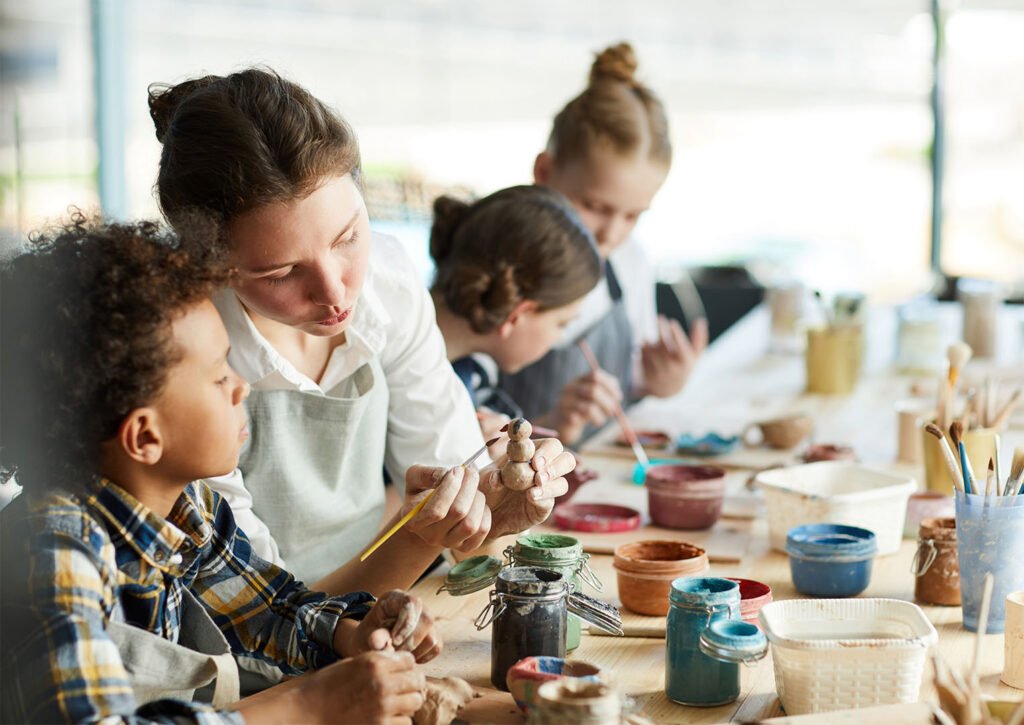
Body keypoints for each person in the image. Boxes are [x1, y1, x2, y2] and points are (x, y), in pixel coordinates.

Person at [147, 69, 575, 599]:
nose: (335, 292)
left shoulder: (388, 282)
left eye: (349, 236)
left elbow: (462, 510)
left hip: (378, 603)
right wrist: (421, 536)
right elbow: (257, 614)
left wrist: (494, 506)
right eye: (280, 273)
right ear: (208, 265)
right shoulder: (180, 354)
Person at [0, 215, 437, 723]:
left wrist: (352, 633)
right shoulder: (55, 551)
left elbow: (266, 613)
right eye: (218, 376)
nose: (241, 388)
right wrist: (306, 705)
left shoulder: (189, 506)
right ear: (145, 436)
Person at [498, 42, 709, 446]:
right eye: (594, 206)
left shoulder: (630, 262)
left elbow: (628, 381)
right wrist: (553, 422)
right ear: (544, 171)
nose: (611, 234)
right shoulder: (493, 266)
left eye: (633, 215)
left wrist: (656, 382)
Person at [429, 185, 603, 445]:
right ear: (517, 315)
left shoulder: (467, 373)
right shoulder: (392, 370)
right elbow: (359, 486)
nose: (559, 337)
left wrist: (553, 423)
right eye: (561, 323)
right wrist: (463, 464)